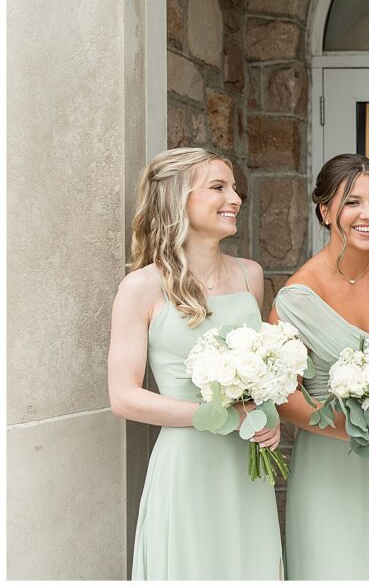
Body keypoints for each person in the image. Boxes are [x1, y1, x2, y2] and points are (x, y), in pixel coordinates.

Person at [107, 148, 282, 580]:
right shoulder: (141, 287)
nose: (236, 198)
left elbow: (259, 373)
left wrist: (269, 417)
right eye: (219, 188)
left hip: (246, 464)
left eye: (235, 188)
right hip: (186, 464)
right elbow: (124, 397)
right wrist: (218, 415)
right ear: (176, 199)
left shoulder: (250, 276)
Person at [271, 154, 369, 580]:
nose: (368, 215)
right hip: (331, 464)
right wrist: (361, 431)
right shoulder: (296, 297)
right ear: (326, 210)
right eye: (352, 202)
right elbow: (285, 398)